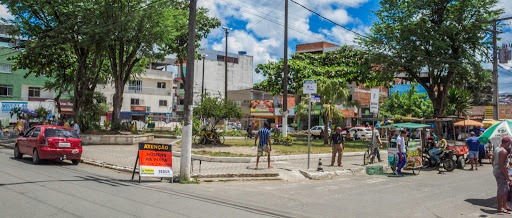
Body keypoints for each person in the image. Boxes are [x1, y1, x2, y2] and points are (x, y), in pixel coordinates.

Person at [492, 137, 511, 214]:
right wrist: (507, 176)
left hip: (497, 170)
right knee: (501, 189)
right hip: (501, 172)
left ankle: (504, 205)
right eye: (509, 144)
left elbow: (493, 160)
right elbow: (501, 165)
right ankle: (500, 207)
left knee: (505, 188)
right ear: (507, 143)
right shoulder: (503, 151)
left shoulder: (497, 149)